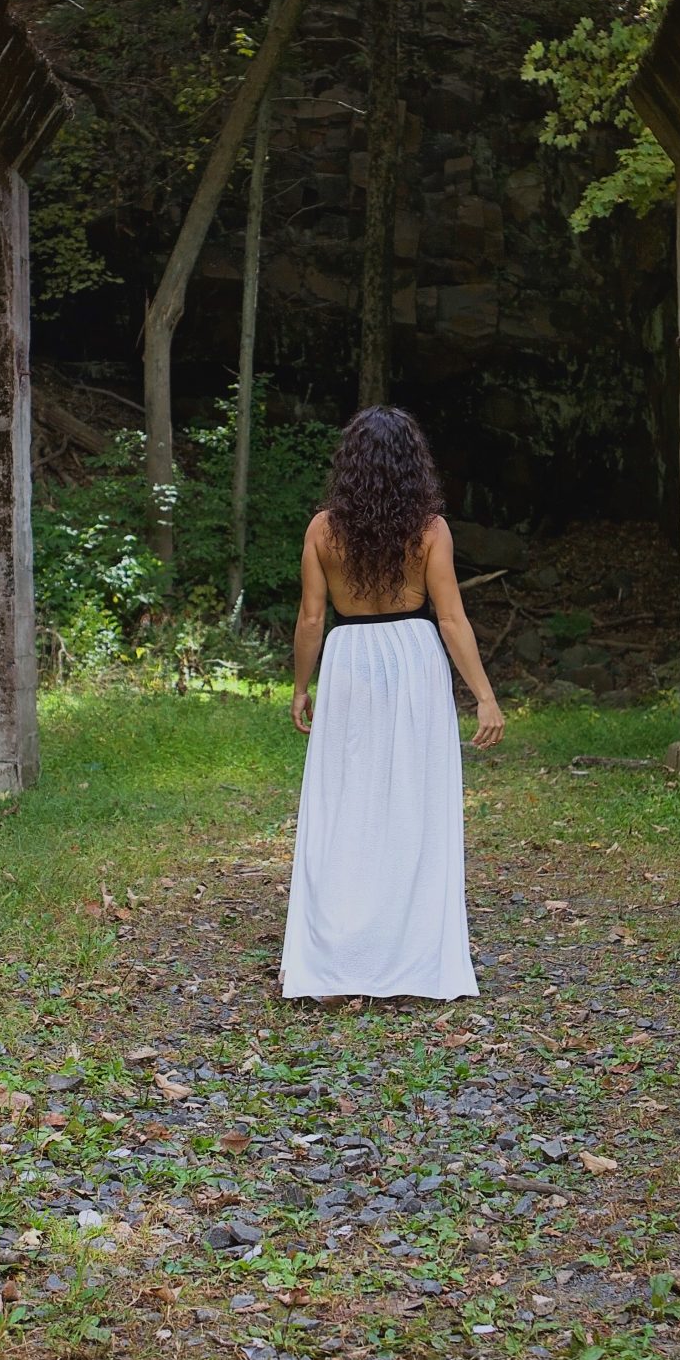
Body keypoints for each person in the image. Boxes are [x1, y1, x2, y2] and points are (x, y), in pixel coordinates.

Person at [281, 406, 504, 1003]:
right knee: (413, 800)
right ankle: (409, 957)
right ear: (413, 466)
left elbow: (310, 618)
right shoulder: (429, 530)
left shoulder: (322, 530)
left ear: (349, 464)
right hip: (413, 657)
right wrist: (484, 697)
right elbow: (451, 618)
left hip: (349, 657)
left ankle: (336, 961)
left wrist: (302, 687)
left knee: (344, 802)